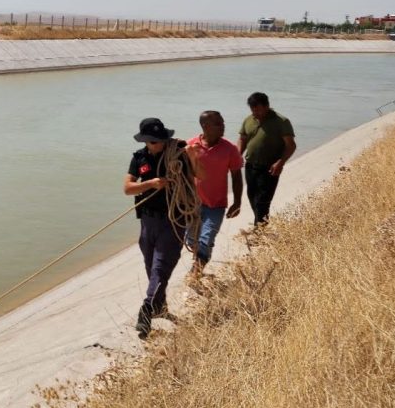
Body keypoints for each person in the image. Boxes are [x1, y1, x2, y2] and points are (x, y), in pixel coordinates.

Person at [124, 118, 202, 340]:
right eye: (154, 142)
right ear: (146, 141)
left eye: (161, 140)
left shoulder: (179, 154)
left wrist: (194, 157)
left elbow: (200, 176)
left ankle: (146, 310)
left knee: (160, 268)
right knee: (151, 268)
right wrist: (151, 183)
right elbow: (127, 188)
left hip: (173, 220)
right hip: (147, 222)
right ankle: (160, 305)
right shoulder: (139, 158)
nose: (158, 144)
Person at [186, 111, 244, 273]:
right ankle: (198, 261)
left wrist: (237, 202)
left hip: (216, 205)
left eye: (223, 123)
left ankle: (195, 274)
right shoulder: (190, 145)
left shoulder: (230, 149)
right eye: (218, 124)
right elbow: (179, 173)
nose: (223, 127)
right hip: (192, 204)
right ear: (205, 126)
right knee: (191, 240)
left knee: (206, 239)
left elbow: (237, 176)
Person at [238, 92, 296, 226]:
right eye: (252, 110)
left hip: (270, 167)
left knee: (263, 200)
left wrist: (281, 162)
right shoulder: (248, 120)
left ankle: (259, 231)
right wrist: (237, 156)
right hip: (250, 166)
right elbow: (242, 139)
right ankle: (261, 225)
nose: (254, 113)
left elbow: (291, 145)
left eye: (257, 110)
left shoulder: (281, 121)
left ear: (267, 106)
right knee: (252, 197)